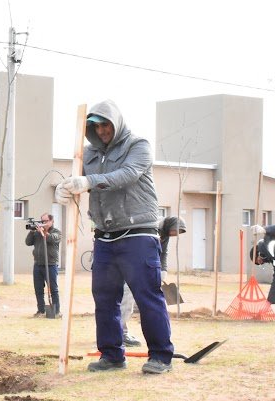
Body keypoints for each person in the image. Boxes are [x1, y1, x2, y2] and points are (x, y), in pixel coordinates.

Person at [55, 100, 175, 375]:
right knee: (105, 297)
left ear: (116, 123)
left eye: (105, 124)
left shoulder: (138, 145)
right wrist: (64, 187)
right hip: (105, 236)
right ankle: (111, 355)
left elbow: (127, 175)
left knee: (147, 295)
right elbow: (77, 178)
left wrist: (88, 182)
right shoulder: (88, 154)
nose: (102, 131)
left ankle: (160, 356)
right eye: (96, 126)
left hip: (138, 233)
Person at [25, 213, 61, 318]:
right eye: (42, 221)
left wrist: (44, 232)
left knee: (53, 289)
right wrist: (32, 232)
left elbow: (53, 239)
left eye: (45, 221)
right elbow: (28, 242)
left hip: (50, 264)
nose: (43, 223)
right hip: (38, 264)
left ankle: (56, 311)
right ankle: (41, 310)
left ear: (51, 221)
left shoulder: (56, 232)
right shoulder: (37, 232)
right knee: (38, 289)